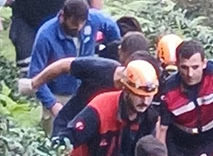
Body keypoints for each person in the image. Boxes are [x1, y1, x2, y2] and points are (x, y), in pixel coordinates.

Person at [18, 34, 152, 136]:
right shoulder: (101, 68)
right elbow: (64, 65)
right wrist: (34, 84)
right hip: (70, 125)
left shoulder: (147, 85)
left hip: (101, 134)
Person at [27, 0, 122, 135]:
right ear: (62, 16)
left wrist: (111, 54)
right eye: (73, 23)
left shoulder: (94, 19)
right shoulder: (46, 35)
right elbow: (35, 74)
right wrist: (52, 104)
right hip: (58, 95)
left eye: (82, 23)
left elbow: (112, 28)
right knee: (56, 141)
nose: (78, 28)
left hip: (86, 91)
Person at [59, 60, 161, 156]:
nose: (145, 101)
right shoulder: (101, 108)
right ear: (126, 89)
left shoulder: (150, 117)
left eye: (149, 96)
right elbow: (65, 140)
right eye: (139, 95)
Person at [155, 40, 213, 156]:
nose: (190, 74)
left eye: (195, 67)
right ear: (177, 65)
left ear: (204, 63)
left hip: (211, 134)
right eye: (184, 67)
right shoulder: (168, 89)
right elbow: (162, 129)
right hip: (180, 140)